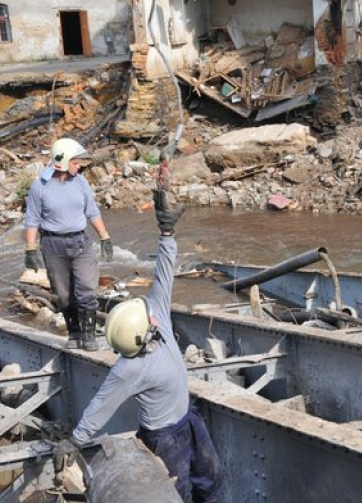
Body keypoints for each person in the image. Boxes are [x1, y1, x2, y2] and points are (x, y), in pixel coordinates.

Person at [54, 171, 222, 503]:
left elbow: (164, 271)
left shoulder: (154, 315)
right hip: (163, 439)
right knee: (178, 493)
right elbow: (101, 405)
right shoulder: (129, 368)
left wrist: (167, 232)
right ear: (142, 339)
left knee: (211, 479)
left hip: (189, 420)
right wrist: (74, 441)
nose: (153, 319)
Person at [24, 138, 113, 352]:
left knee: (87, 290)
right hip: (53, 245)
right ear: (62, 161)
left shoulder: (81, 182)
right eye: (75, 162)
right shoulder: (40, 186)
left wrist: (104, 237)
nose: (79, 165)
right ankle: (74, 332)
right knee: (63, 295)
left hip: (80, 242)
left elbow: (92, 211)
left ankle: (88, 335)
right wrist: (30, 248)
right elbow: (32, 219)